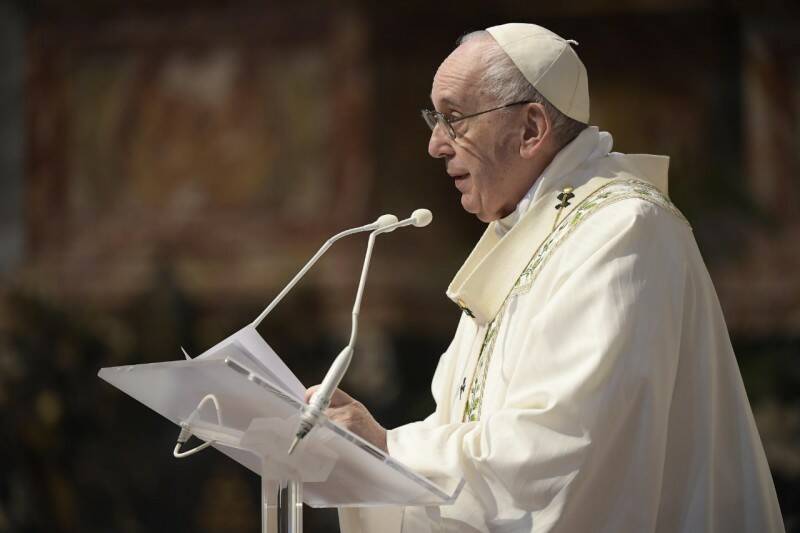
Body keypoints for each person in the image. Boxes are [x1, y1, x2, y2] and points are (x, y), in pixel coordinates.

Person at [306, 23, 785, 532]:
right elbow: (470, 429)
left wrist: (389, 450)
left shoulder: (624, 231)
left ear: (532, 129)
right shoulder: (529, 233)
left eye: (453, 119)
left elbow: (563, 446)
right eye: (434, 120)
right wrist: (370, 450)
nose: (435, 145)